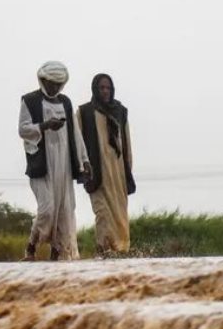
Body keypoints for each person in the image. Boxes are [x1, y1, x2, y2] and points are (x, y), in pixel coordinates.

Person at [18, 61, 92, 261]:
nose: (55, 88)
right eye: (51, 83)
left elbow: (75, 134)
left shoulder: (65, 102)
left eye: (59, 84)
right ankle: (31, 246)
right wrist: (44, 126)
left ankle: (56, 257)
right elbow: (23, 130)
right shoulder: (30, 100)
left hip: (64, 164)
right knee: (47, 210)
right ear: (43, 81)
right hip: (42, 165)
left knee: (65, 212)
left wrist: (84, 160)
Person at [77, 73, 135, 255]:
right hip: (96, 173)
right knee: (102, 213)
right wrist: (82, 168)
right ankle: (102, 250)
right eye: (101, 87)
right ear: (95, 89)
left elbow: (127, 143)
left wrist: (128, 171)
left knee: (120, 216)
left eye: (108, 88)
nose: (105, 91)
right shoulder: (84, 112)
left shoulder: (120, 111)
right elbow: (78, 144)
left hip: (117, 174)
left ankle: (120, 252)